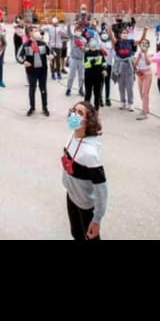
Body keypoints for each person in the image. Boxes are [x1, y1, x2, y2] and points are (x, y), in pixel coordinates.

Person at [61, 101, 108, 242]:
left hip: (86, 205)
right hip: (72, 195)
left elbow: (101, 190)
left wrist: (97, 220)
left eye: (80, 113)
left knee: (91, 237)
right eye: (73, 110)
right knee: (76, 233)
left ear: (89, 121)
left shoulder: (90, 154)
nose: (74, 114)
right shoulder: (72, 135)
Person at [17, 25, 52, 117]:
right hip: (31, 71)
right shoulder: (25, 45)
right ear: (29, 33)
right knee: (32, 89)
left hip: (42, 71)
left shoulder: (43, 43)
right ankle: (32, 107)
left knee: (43, 89)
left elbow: (52, 52)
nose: (37, 32)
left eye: (37, 30)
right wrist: (23, 61)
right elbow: (18, 56)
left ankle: (45, 107)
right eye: (35, 30)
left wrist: (50, 56)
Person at [113, 23, 146, 112]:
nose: (125, 34)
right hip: (120, 67)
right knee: (121, 86)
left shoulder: (130, 41)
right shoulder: (117, 42)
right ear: (120, 34)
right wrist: (109, 31)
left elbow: (141, 40)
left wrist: (145, 31)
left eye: (126, 33)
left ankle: (130, 103)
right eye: (123, 33)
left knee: (129, 86)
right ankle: (122, 102)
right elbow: (112, 38)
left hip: (129, 66)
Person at [83, 29, 106, 111]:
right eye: (91, 43)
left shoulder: (100, 52)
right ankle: (86, 108)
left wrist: (104, 70)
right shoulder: (86, 53)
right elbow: (86, 65)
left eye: (94, 42)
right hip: (89, 76)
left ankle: (96, 108)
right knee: (88, 93)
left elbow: (104, 62)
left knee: (97, 93)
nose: (93, 44)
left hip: (98, 76)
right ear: (88, 45)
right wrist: (94, 60)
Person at [65, 20, 87, 98]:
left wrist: (82, 47)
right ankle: (68, 88)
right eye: (77, 30)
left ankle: (81, 89)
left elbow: (85, 49)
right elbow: (68, 33)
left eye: (79, 30)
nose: (78, 32)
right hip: (73, 59)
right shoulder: (73, 37)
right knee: (71, 75)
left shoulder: (84, 39)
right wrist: (68, 25)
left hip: (81, 59)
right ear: (75, 31)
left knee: (81, 76)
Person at [134, 37, 153, 120]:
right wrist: (138, 56)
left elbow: (148, 62)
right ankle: (146, 108)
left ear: (148, 45)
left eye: (145, 43)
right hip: (139, 74)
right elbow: (134, 64)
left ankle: (144, 113)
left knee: (145, 93)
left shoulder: (150, 53)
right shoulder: (137, 53)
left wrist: (145, 53)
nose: (143, 45)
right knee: (142, 93)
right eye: (142, 43)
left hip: (147, 74)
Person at [46, 17, 65, 81]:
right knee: (52, 61)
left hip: (58, 47)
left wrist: (61, 31)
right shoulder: (49, 28)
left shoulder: (60, 28)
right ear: (52, 23)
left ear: (57, 23)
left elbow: (64, 33)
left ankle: (58, 73)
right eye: (53, 23)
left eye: (56, 23)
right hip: (52, 47)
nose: (54, 24)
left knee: (58, 61)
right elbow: (42, 29)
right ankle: (52, 73)